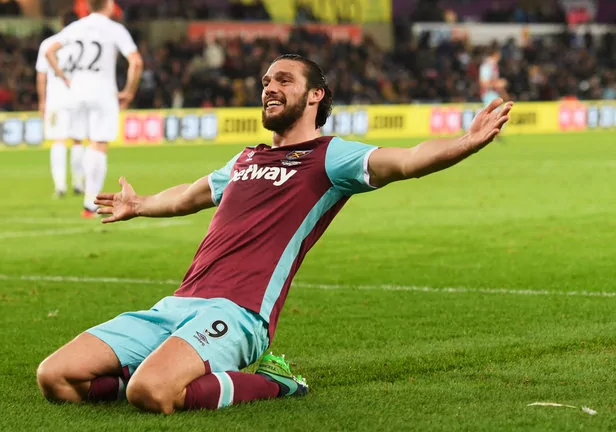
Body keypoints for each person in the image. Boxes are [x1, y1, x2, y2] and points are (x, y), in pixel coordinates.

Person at [36, 54, 513, 414]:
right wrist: (139, 205)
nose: (270, 87)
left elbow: (406, 161)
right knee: (56, 377)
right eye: (266, 81)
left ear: (315, 95)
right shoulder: (246, 158)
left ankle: (275, 382)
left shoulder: (330, 158)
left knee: (152, 392)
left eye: (284, 80)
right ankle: (157, 369)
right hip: (178, 306)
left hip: (239, 312)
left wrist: (466, 142)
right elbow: (188, 196)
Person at [45, 0, 143, 218]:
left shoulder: (76, 27)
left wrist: (64, 77)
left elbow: (50, 52)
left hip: (75, 92)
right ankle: (90, 204)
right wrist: (129, 91)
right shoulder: (114, 29)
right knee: (98, 144)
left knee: (80, 141)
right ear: (108, 6)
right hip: (102, 92)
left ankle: (76, 187)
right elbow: (136, 62)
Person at [36, 10, 85, 198]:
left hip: (56, 99)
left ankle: (60, 186)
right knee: (78, 140)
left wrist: (42, 101)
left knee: (58, 140)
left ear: (61, 23)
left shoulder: (48, 44)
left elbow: (41, 76)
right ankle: (79, 183)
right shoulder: (83, 45)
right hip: (79, 98)